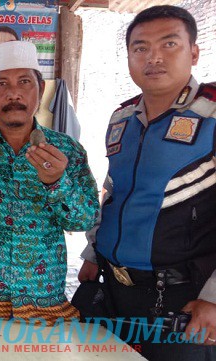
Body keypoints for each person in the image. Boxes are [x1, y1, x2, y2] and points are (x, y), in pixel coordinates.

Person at [77, 5, 216, 360]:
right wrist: (94, 251)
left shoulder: (211, 114)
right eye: (140, 48)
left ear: (194, 52)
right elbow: (115, 189)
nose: (153, 58)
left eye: (169, 44)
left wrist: (213, 298)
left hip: (184, 298)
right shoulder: (123, 117)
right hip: (114, 290)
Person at [0, 41, 99, 324]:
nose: (13, 93)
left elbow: (85, 220)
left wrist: (56, 183)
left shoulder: (67, 151)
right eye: (1, 84)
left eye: (24, 81)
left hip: (46, 307)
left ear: (40, 90)